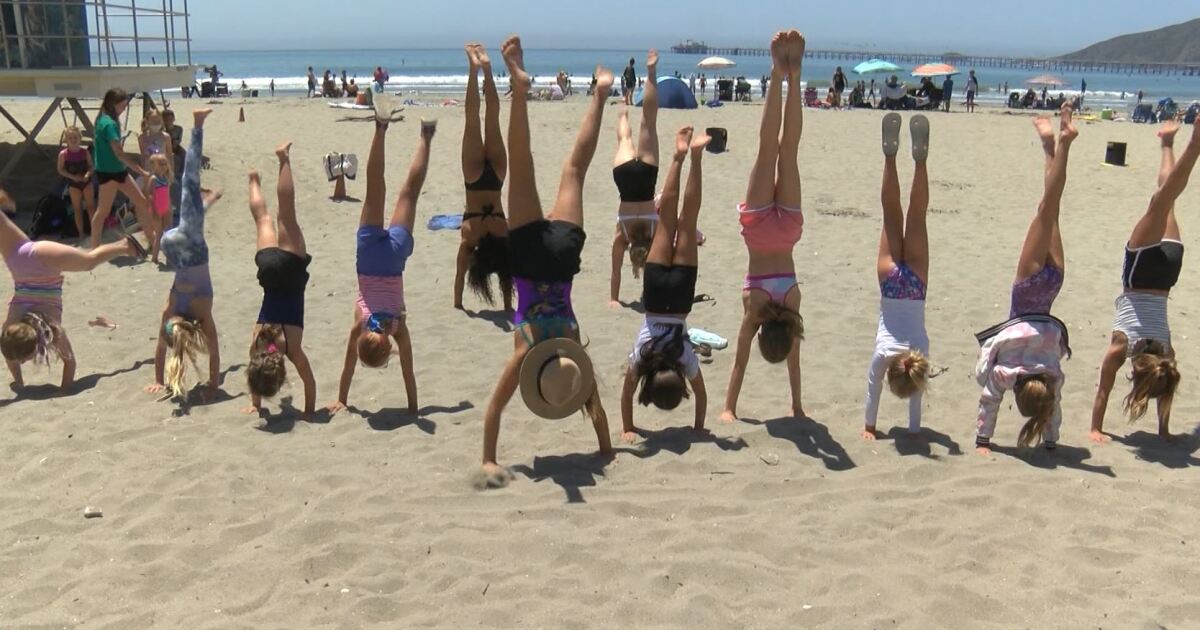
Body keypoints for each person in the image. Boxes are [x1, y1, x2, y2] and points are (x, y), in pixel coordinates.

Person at [478, 36, 614, 487]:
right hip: (529, 257)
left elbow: (597, 413)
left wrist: (607, 448)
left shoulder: (573, 344)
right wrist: (488, 460)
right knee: (521, 163)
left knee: (574, 168)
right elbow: (494, 410)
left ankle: (598, 94)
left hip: (563, 253)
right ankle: (518, 90)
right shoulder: (524, 352)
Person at [974, 105, 1077, 454]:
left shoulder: (1053, 376)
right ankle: (1063, 143)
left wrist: (1051, 441)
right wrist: (983, 440)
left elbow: (1056, 409)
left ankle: (1051, 146)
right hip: (1028, 288)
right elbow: (988, 398)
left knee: (1052, 210)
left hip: (1051, 286)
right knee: (1048, 206)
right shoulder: (1006, 375)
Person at [1089, 119, 1200, 443]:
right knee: (1161, 200)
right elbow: (1103, 390)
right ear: (1136, 372)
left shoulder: (1167, 355)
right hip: (1140, 273)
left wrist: (1165, 430)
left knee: (1166, 200)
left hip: (1168, 272)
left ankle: (1167, 143)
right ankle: (1193, 147)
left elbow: (1166, 392)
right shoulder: (1120, 348)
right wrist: (1095, 428)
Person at [720, 30, 807, 424]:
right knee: (767, 147)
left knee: (786, 149)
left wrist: (798, 407)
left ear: (788, 340)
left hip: (786, 229)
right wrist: (728, 408)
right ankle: (777, 71)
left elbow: (795, 370)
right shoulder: (753, 312)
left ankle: (793, 74)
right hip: (757, 230)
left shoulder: (793, 308)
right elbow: (738, 364)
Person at [328, 108, 435, 415]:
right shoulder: (360, 324)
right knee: (376, 185)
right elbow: (348, 364)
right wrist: (342, 398)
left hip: (395, 257)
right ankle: (381, 126)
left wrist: (415, 408)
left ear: (388, 348)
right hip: (369, 255)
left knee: (409, 193)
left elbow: (408, 372)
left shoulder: (398, 327)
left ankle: (426, 135)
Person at [620, 126, 710, 441]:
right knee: (667, 220)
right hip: (656, 294)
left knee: (686, 220)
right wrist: (628, 427)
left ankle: (694, 156)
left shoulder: (685, 358)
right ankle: (678, 156)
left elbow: (702, 396)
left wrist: (699, 428)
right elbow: (626, 393)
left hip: (681, 297)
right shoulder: (643, 355)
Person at [2, 193, 142, 393]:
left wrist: (63, 391)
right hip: (20, 260)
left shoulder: (52, 329)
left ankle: (123, 246)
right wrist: (19, 384)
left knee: (89, 261)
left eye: (25, 359)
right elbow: (10, 355)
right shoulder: (10, 331)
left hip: (42, 261)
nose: (23, 362)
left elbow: (70, 363)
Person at [863, 113, 932, 440]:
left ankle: (920, 162)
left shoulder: (920, 355)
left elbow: (916, 395)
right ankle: (890, 156)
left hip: (916, 285)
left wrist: (915, 428)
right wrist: (870, 427)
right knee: (893, 213)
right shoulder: (882, 358)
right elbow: (872, 390)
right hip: (891, 282)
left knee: (916, 214)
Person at [146, 109, 222, 402]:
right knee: (190, 204)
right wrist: (156, 378)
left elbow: (215, 352)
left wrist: (215, 383)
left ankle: (198, 124)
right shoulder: (172, 310)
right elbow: (162, 347)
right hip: (171, 247)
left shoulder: (202, 312)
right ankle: (204, 203)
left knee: (190, 182)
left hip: (190, 247)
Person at [244, 142, 317, 419]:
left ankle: (283, 158)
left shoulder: (293, 348)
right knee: (264, 219)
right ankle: (253, 180)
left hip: (291, 268)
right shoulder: (257, 343)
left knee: (286, 213)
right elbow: (254, 367)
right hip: (270, 271)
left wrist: (309, 411)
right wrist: (255, 403)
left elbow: (310, 383)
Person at [456, 43, 512, 312]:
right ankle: (473, 67)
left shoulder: (504, 237)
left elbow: (507, 280)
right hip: (474, 180)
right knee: (472, 120)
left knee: (492, 118)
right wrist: (458, 303)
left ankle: (488, 70)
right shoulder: (469, 239)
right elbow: (458, 279)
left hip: (498, 177)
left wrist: (508, 307)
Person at [609, 49, 660, 307]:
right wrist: (613, 298)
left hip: (648, 182)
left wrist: (614, 301)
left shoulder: (655, 233)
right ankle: (622, 115)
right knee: (625, 138)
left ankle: (651, 71)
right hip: (626, 181)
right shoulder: (622, 237)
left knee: (649, 123)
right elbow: (615, 271)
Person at [90, 88, 154, 252]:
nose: (124, 109)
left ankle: (152, 241)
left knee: (141, 202)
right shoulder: (108, 124)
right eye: (123, 106)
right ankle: (94, 248)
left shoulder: (103, 119)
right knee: (102, 211)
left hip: (117, 171)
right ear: (114, 104)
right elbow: (119, 153)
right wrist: (140, 170)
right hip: (110, 173)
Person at [138, 108, 174, 261]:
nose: (156, 124)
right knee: (148, 210)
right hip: (148, 174)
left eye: (158, 122)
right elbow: (142, 158)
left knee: (165, 210)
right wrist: (143, 174)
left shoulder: (165, 136)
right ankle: (152, 241)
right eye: (153, 122)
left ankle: (159, 244)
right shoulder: (142, 138)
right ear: (147, 122)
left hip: (163, 176)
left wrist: (171, 175)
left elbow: (170, 156)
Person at [57, 126, 95, 238]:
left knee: (91, 208)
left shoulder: (85, 152)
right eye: (70, 138)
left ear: (80, 138)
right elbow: (60, 170)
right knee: (77, 209)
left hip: (86, 182)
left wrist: (88, 174)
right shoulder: (63, 154)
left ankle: (94, 232)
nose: (73, 140)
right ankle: (81, 234)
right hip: (73, 184)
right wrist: (72, 177)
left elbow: (91, 166)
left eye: (75, 137)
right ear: (66, 140)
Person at [145, 154, 173, 264]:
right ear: (154, 166)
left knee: (168, 232)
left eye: (165, 164)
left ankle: (168, 257)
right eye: (160, 164)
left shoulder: (165, 179)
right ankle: (154, 257)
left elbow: (167, 195)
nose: (163, 166)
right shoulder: (153, 179)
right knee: (159, 233)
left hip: (165, 208)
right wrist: (154, 210)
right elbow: (150, 196)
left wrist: (170, 207)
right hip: (156, 209)